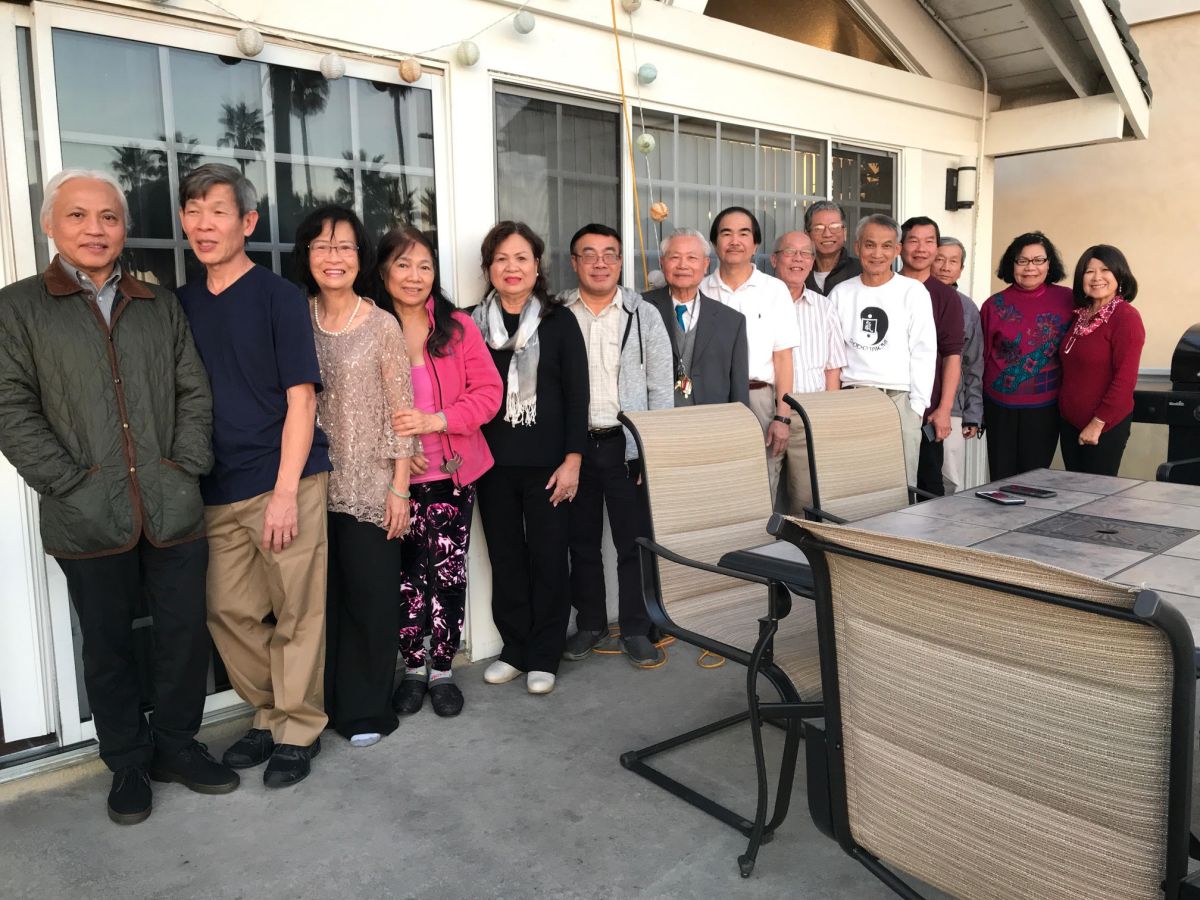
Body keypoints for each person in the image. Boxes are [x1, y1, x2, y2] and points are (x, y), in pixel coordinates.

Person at [0, 169, 238, 825]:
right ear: (50, 225)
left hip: (171, 504)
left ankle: (178, 746)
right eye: (78, 215)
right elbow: (11, 408)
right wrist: (68, 483)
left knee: (182, 635)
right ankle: (128, 761)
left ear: (123, 228)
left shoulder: (157, 303)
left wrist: (185, 466)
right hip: (85, 514)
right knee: (107, 646)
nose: (95, 229)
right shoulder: (17, 308)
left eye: (108, 217)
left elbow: (193, 390)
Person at [177, 164, 331, 788]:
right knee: (228, 611)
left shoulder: (278, 297)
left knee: (297, 611)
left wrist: (286, 492)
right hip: (217, 487)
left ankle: (298, 728)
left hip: (284, 478)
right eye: (193, 211)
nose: (203, 223)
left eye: (218, 211)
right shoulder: (182, 304)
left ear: (247, 222)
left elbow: (302, 398)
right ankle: (269, 712)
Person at [295, 206, 416, 747]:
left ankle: (367, 710)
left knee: (370, 600)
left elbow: (400, 411)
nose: (333, 257)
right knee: (320, 604)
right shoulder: (295, 319)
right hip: (310, 485)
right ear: (307, 255)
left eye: (344, 246)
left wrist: (399, 487)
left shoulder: (382, 324)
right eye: (322, 246)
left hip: (370, 486)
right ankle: (322, 706)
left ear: (360, 256)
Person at [383, 226, 502, 717]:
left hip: (450, 474)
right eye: (403, 264)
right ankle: (413, 667)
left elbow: (489, 393)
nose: (415, 276)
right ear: (383, 271)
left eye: (425, 266)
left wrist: (437, 421)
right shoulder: (370, 325)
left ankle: (443, 669)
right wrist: (396, 448)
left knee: (447, 574)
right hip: (391, 480)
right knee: (405, 578)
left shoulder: (457, 328)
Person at [473, 221, 588, 695]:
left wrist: (573, 459)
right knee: (505, 559)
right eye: (501, 259)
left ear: (537, 265)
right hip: (491, 465)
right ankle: (515, 649)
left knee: (548, 558)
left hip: (549, 465)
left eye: (521, 258)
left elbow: (578, 395)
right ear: (488, 268)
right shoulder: (470, 325)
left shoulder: (559, 322)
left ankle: (544, 653)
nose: (512, 267)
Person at [560, 223, 673, 668]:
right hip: (574, 448)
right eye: (589, 254)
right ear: (575, 263)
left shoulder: (643, 315)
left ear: (621, 261)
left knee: (634, 542)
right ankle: (590, 623)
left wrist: (651, 449)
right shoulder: (558, 314)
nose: (600, 262)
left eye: (609, 254)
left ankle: (636, 628)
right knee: (581, 542)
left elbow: (660, 386)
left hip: (625, 446)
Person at [700, 207, 801, 503]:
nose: (735, 241)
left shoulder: (774, 290)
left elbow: (783, 358)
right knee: (714, 484)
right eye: (726, 233)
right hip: (711, 401)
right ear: (715, 243)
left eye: (743, 234)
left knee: (760, 487)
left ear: (755, 244)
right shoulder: (701, 289)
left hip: (759, 398)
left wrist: (782, 417)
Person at [829, 214, 937, 483]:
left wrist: (917, 407)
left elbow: (924, 351)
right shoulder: (841, 293)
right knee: (854, 481)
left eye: (886, 246)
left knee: (899, 483)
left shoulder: (913, 292)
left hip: (899, 399)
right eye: (870, 245)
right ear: (857, 247)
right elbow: (831, 353)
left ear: (897, 249)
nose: (877, 254)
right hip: (853, 397)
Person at [979, 232, 1074, 480]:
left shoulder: (1069, 300)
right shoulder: (993, 305)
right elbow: (981, 358)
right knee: (1001, 479)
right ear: (1011, 264)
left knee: (1034, 479)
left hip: (1046, 407)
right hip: (999, 406)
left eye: (1038, 260)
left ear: (1049, 264)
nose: (1030, 267)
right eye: (1022, 261)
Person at [770, 230, 847, 513]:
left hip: (809, 413)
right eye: (790, 252)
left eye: (805, 254)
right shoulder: (760, 302)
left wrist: (827, 418)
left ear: (812, 262)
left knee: (806, 500)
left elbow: (832, 367)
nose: (798, 259)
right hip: (767, 410)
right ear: (774, 259)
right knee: (762, 495)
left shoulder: (823, 307)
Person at [1058, 245, 1145, 475]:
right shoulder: (1080, 315)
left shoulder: (1126, 317)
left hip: (1103, 427)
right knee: (1073, 491)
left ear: (1120, 275)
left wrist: (1098, 423)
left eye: (1105, 270)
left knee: (1095, 494)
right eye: (1089, 271)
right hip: (1070, 424)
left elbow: (1125, 380)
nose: (1097, 277)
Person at [643, 227, 749, 407]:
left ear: (706, 264)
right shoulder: (641, 308)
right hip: (656, 417)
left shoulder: (731, 321)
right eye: (675, 257)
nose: (682, 265)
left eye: (692, 258)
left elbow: (738, 388)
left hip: (710, 418)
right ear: (662, 262)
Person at [899, 217, 964, 498]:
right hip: (887, 408)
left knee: (929, 487)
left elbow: (952, 355)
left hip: (927, 410)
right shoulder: (885, 288)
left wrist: (944, 408)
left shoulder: (946, 297)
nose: (921, 249)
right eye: (914, 240)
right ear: (900, 246)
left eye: (929, 241)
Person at [933, 237, 984, 494]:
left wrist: (973, 413)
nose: (945, 267)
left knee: (950, 478)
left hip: (952, 407)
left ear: (961, 269)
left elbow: (974, 364)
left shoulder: (967, 308)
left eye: (953, 261)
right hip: (913, 403)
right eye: (939, 259)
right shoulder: (911, 295)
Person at [804, 200, 862, 296]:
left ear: (844, 233)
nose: (827, 234)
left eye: (835, 227)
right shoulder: (799, 272)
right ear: (807, 235)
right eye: (819, 228)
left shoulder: (862, 271)